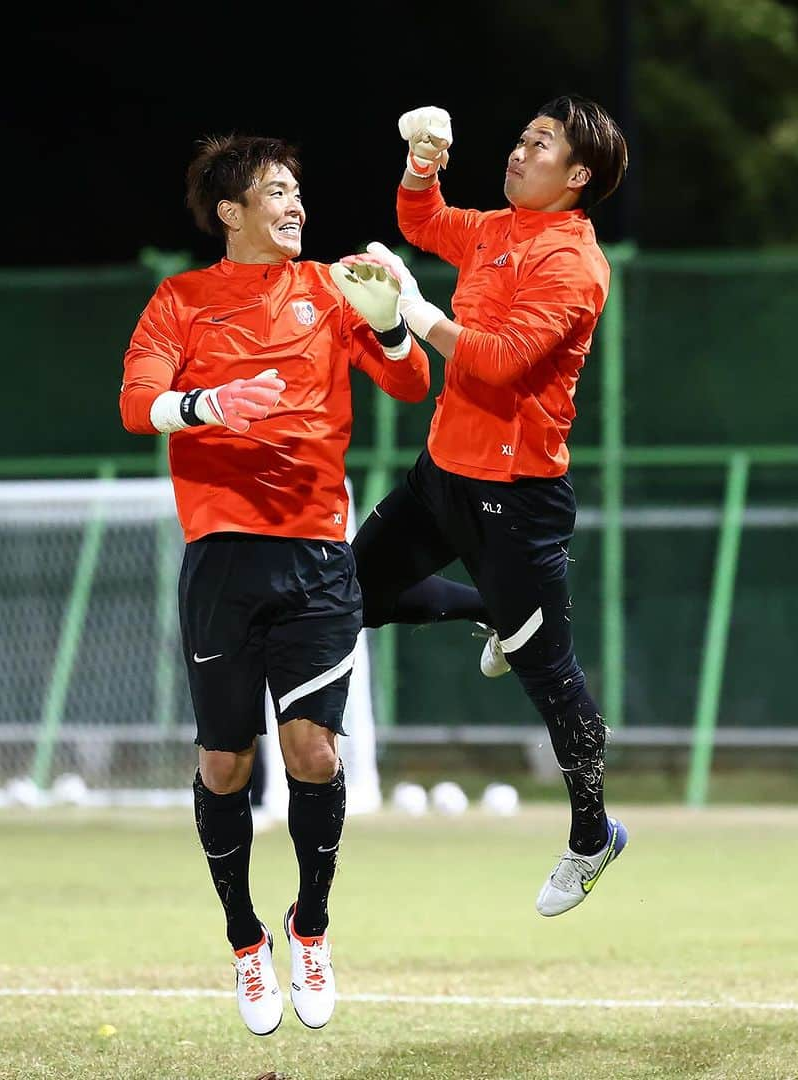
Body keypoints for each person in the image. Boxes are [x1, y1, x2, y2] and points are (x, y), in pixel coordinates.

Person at [119, 134, 430, 1036]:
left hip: (317, 557)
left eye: (299, 191)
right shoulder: (180, 300)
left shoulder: (333, 288)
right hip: (222, 556)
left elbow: (410, 385)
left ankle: (313, 925)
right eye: (276, 192)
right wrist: (206, 405)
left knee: (317, 756)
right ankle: (245, 940)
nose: (296, 206)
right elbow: (137, 401)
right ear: (230, 212)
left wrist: (388, 323)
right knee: (226, 762)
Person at [345, 95, 630, 917]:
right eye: (518, 138)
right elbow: (421, 218)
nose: (516, 153)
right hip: (441, 475)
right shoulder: (497, 229)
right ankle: (498, 612)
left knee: (553, 682)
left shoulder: (575, 264)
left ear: (577, 176)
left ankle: (591, 837)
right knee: (343, 599)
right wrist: (422, 163)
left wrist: (413, 309)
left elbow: (501, 364)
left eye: (538, 145)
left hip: (519, 498)